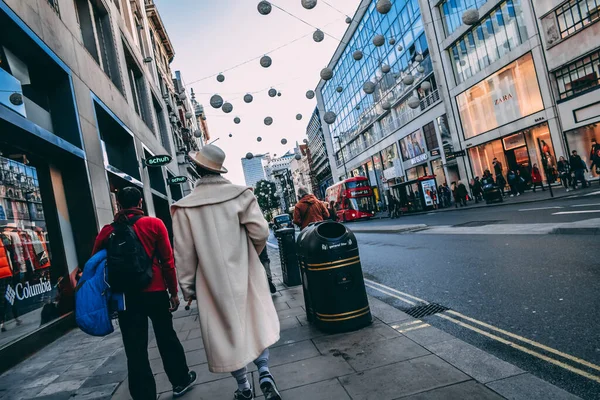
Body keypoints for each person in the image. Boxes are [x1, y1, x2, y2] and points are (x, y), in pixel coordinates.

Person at [171, 145, 281, 400]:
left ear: (197, 170)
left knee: (225, 332)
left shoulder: (185, 207)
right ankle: (264, 371)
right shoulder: (240, 195)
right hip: (245, 271)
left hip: (210, 281)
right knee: (256, 320)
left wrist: (188, 288)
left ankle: (244, 387)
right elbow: (261, 232)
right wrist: (249, 252)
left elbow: (184, 254)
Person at [92, 187, 196, 400]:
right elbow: (168, 261)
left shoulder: (107, 231)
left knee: (134, 347)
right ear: (140, 202)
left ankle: (144, 395)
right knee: (166, 337)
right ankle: (180, 381)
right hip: (156, 291)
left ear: (118, 205)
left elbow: (96, 263)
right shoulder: (155, 224)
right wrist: (174, 292)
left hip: (126, 297)